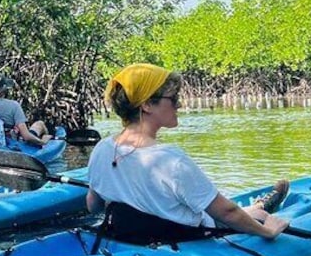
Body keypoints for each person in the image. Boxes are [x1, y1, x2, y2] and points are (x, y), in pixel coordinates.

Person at [85, 63, 291, 244]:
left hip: (128, 239)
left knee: (246, 213)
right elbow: (226, 212)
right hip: (184, 240)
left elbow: (93, 205)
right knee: (234, 215)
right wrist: (267, 232)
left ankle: (259, 208)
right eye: (173, 99)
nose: (180, 104)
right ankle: (262, 213)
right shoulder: (171, 161)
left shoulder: (102, 148)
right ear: (147, 105)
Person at [0, 73, 52, 147]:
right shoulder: (14, 105)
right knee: (40, 124)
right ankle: (45, 146)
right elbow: (26, 136)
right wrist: (42, 141)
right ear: (4, 90)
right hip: (10, 142)